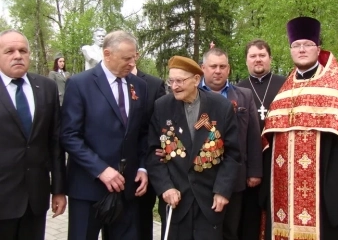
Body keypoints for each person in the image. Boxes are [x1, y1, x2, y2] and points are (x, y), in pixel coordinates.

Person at [261, 17, 338, 240]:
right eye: (296, 45)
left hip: (323, 193)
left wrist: (335, 193)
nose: (302, 50)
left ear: (318, 48)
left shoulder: (335, 88)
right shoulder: (283, 92)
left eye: (307, 44)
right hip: (282, 195)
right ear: (290, 50)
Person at [61, 30, 149, 240]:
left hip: (127, 189)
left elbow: (143, 132)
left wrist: (143, 167)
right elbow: (69, 135)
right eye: (126, 58)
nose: (132, 63)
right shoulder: (80, 84)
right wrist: (101, 169)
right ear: (107, 54)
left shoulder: (139, 86)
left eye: (134, 57)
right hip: (88, 189)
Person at [146, 56, 241, 240]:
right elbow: (152, 152)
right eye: (171, 80)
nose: (174, 86)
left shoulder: (221, 107)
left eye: (180, 81)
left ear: (196, 80)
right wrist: (165, 187)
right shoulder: (162, 106)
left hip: (209, 202)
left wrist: (222, 190)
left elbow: (233, 154)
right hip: (176, 201)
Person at [0, 30, 66, 240]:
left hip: (35, 199)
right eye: (9, 51)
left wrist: (58, 190)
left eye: (23, 50)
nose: (17, 55)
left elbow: (55, 143)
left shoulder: (46, 88)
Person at [200, 48, 262, 240]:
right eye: (213, 66)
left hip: (235, 175)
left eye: (222, 66)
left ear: (229, 69)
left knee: (230, 230)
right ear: (203, 68)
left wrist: (254, 171)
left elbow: (253, 134)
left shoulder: (244, 96)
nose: (217, 71)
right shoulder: (192, 95)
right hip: (200, 176)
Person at [236, 39, 286, 240]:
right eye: (253, 56)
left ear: (270, 58)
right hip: (248, 163)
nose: (258, 60)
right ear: (246, 61)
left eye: (262, 55)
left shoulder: (285, 85)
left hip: (278, 159)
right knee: (249, 216)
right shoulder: (238, 89)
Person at [131, 51, 166, 240]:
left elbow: (157, 130)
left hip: (144, 169)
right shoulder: (103, 85)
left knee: (143, 225)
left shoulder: (153, 85)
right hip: (111, 174)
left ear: (136, 55)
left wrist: (145, 165)